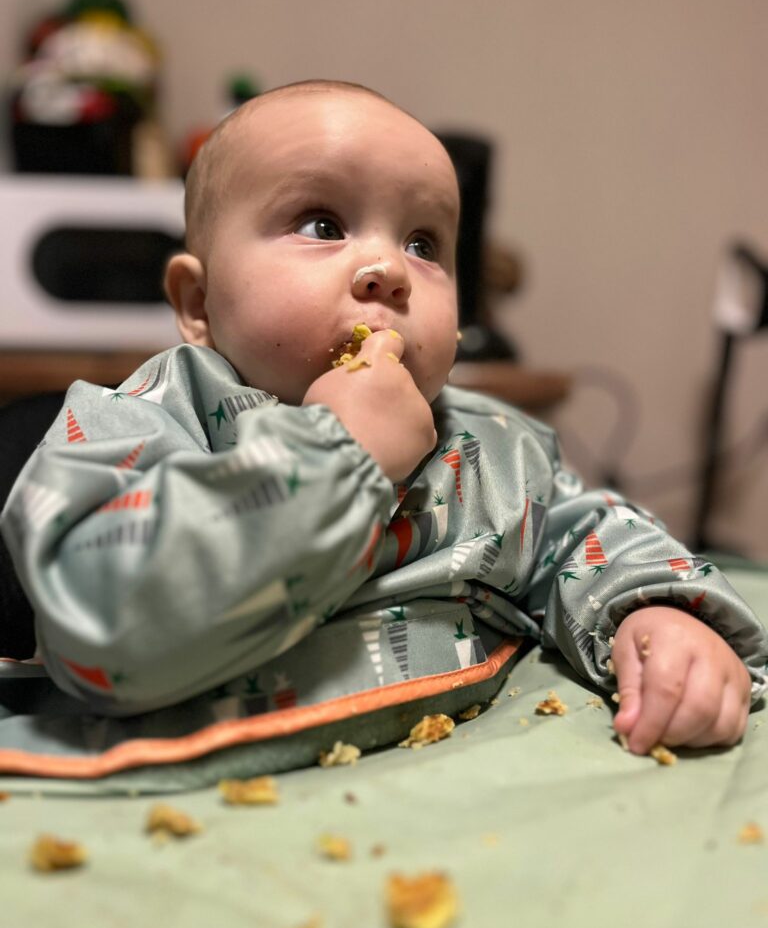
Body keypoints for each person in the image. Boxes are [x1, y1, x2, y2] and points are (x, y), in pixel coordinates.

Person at [2, 80, 766, 757]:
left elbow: (583, 533)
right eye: (323, 225)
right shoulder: (141, 420)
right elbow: (95, 622)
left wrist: (657, 617)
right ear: (198, 304)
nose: (391, 271)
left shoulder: (486, 444)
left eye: (424, 243)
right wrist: (337, 456)